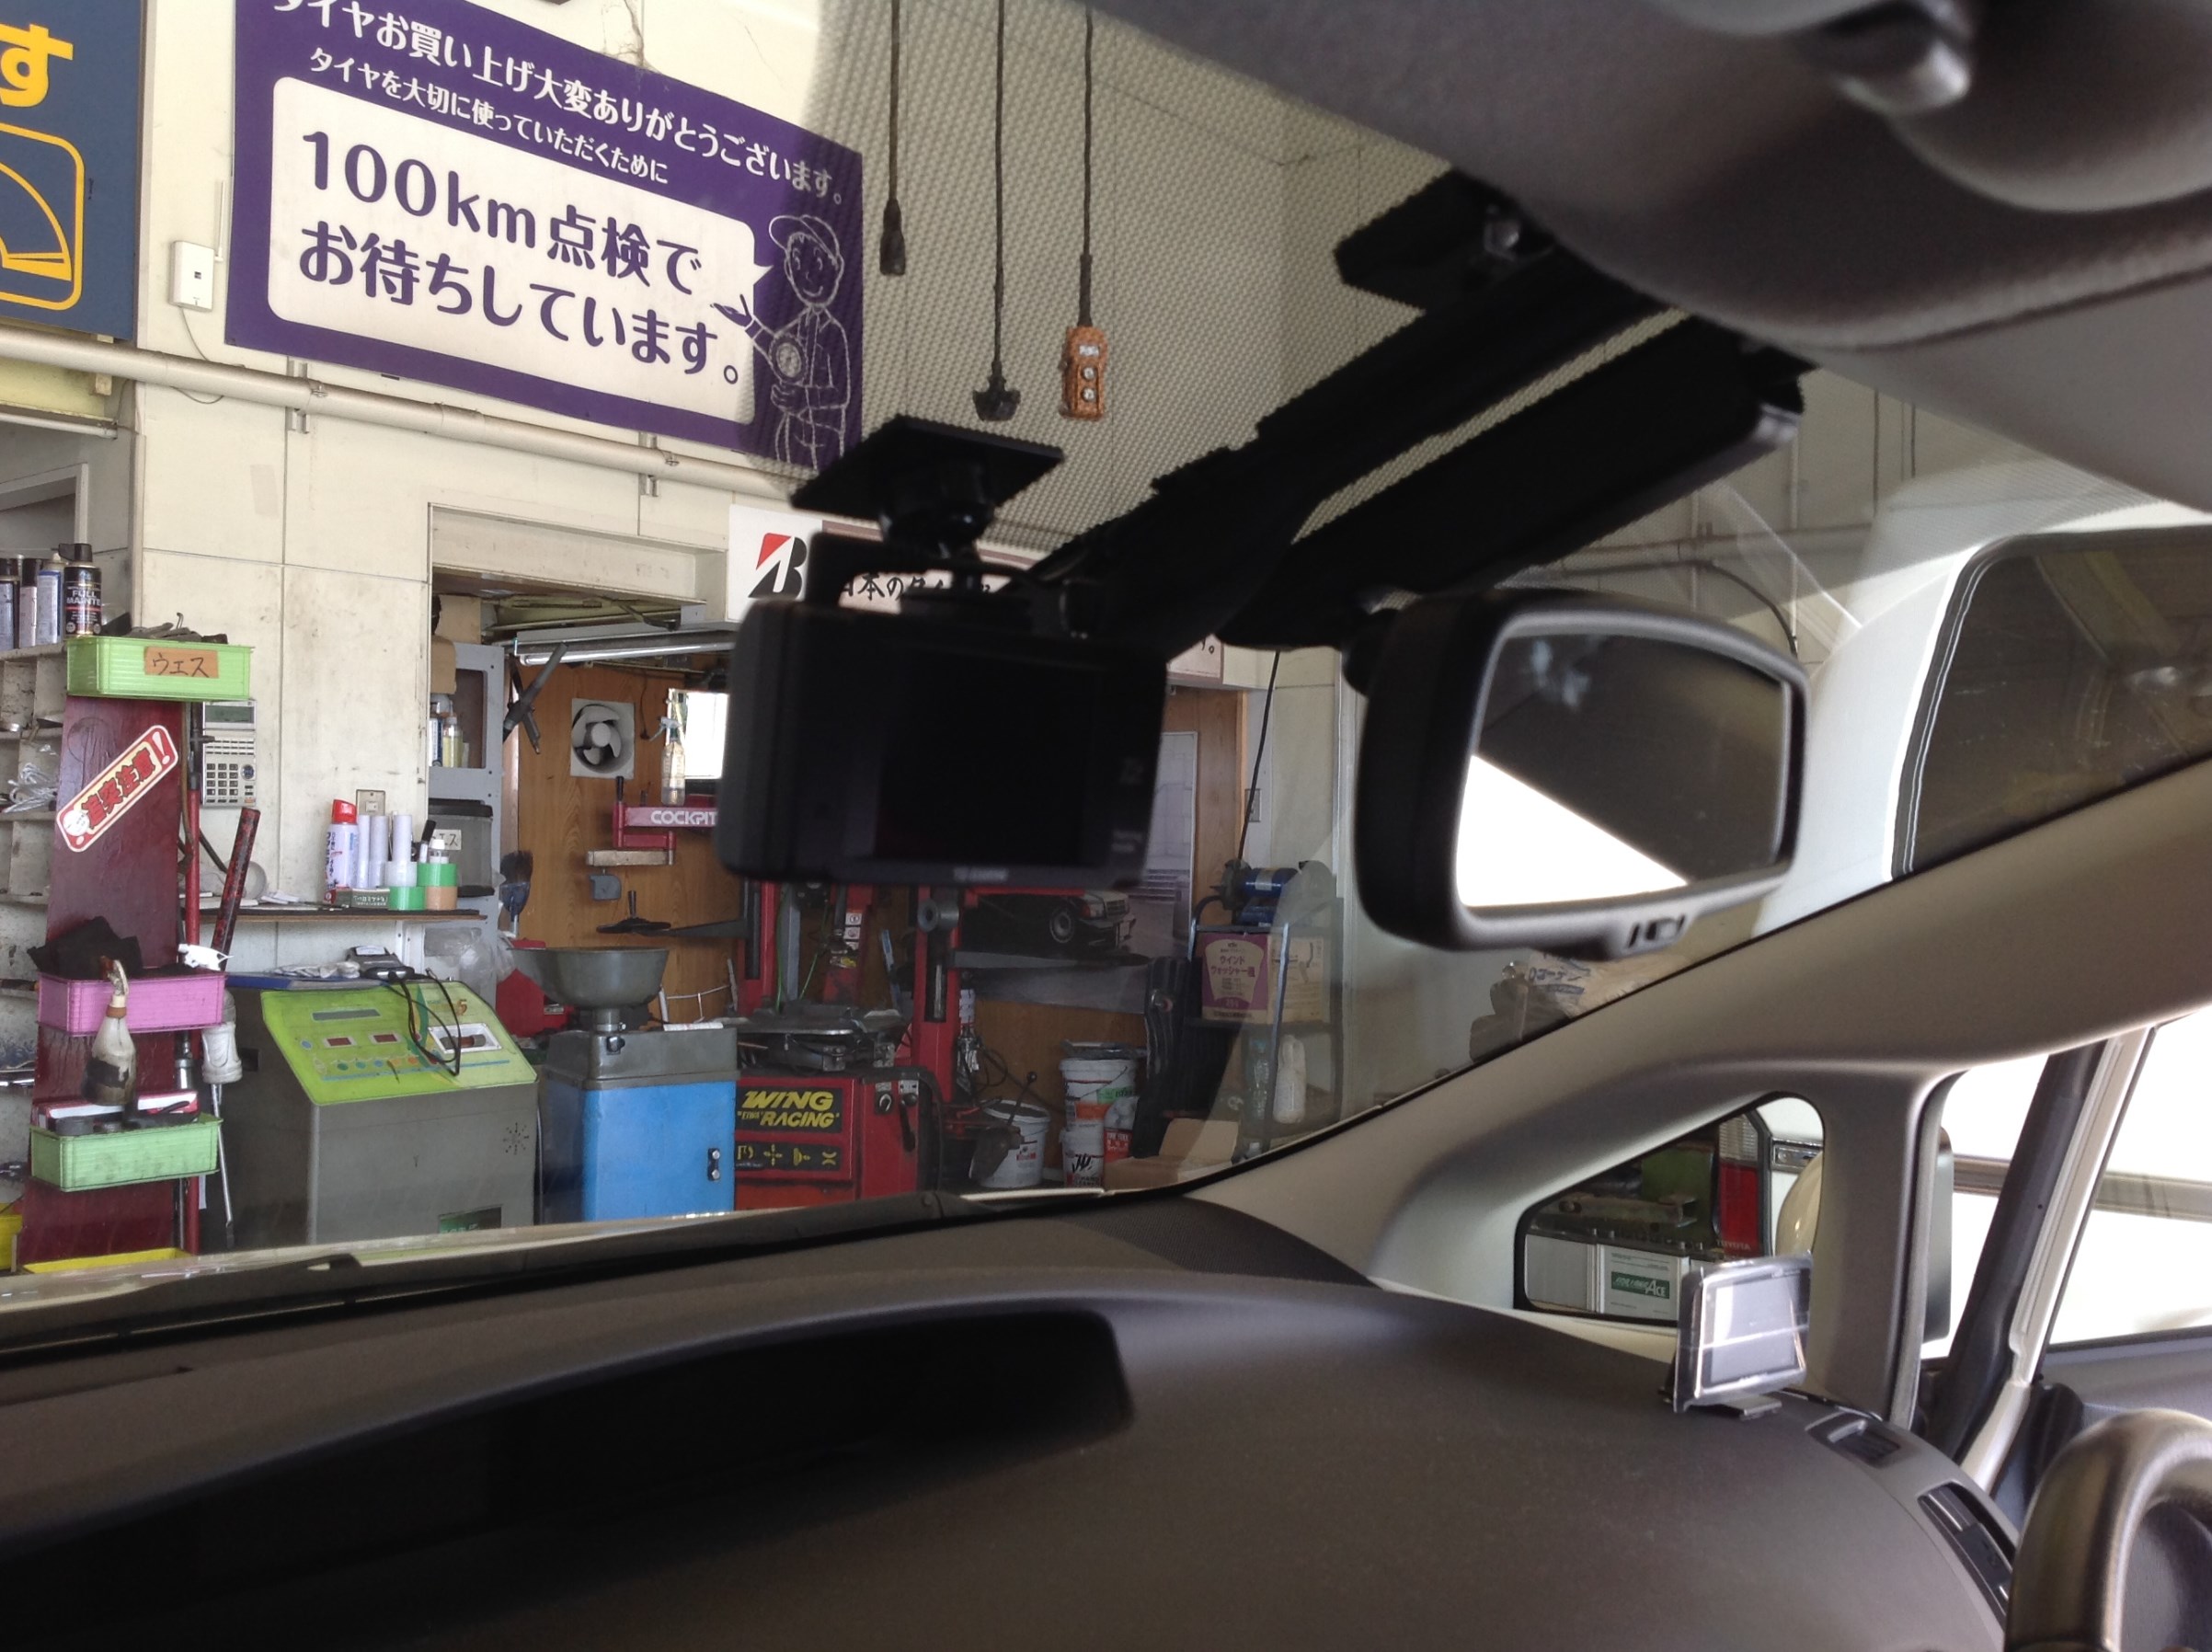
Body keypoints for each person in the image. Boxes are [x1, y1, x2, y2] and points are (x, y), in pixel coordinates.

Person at [715, 213, 851, 468]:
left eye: (815, 262)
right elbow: (779, 351)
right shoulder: (798, 326)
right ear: (789, 269)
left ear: (835, 268)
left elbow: (841, 393)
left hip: (825, 435)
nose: (805, 273)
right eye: (797, 261)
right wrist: (749, 323)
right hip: (793, 431)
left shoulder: (833, 332)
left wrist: (802, 397)